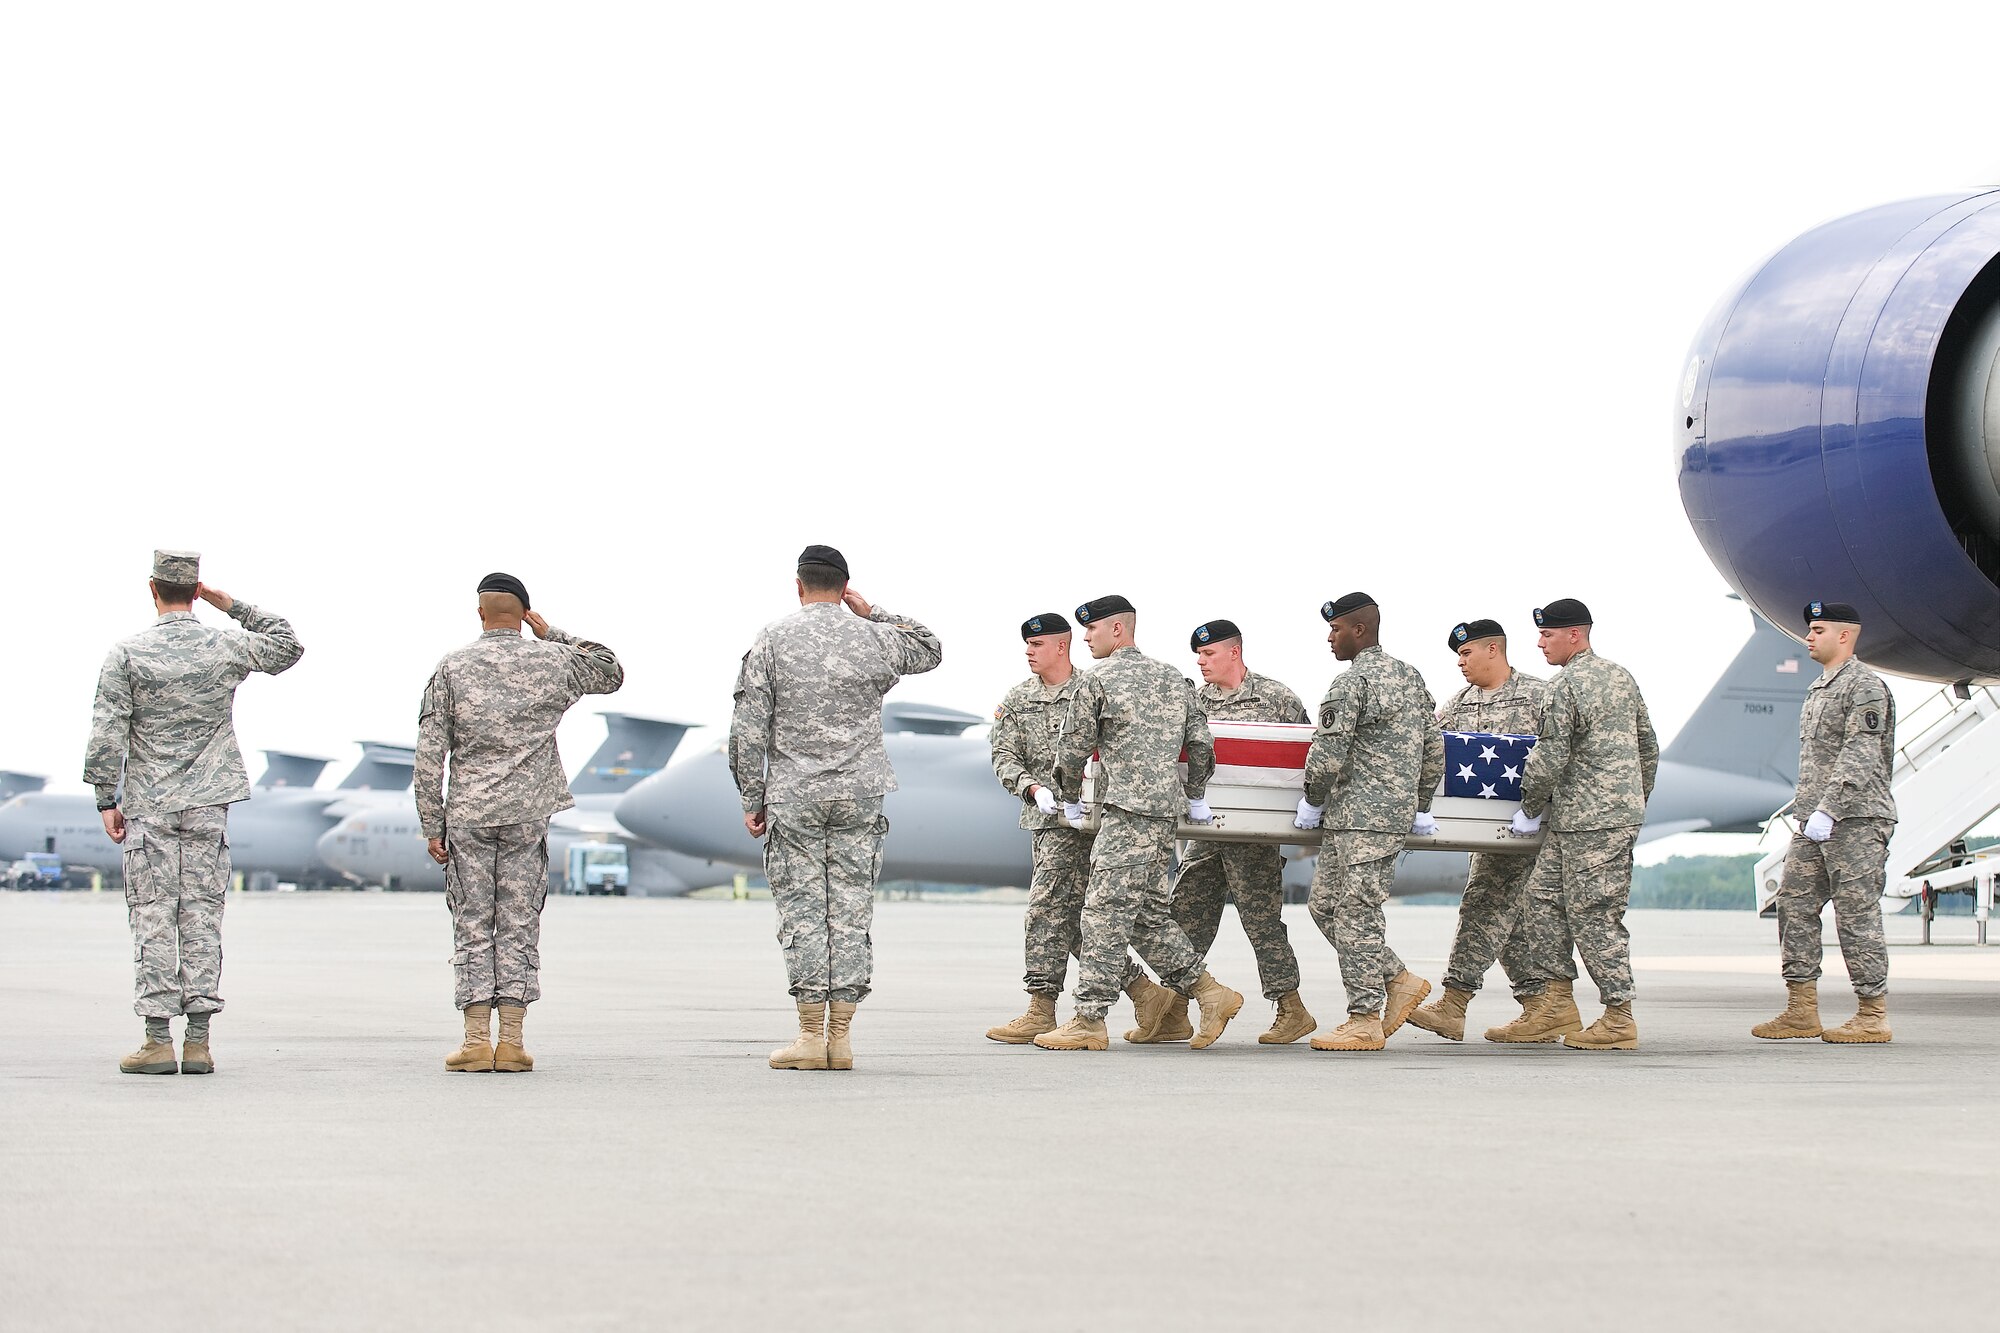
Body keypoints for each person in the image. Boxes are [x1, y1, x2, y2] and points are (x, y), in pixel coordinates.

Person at [85, 550, 304, 1075]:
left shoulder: (128, 653)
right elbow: (286, 646)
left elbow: (107, 731)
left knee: (155, 914)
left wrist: (105, 798)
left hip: (150, 803)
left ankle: (158, 1040)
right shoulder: (225, 643)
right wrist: (230, 605)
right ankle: (200, 1042)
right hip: (208, 802)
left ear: (152, 588)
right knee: (202, 912)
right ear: (196, 589)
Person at [730, 545, 943, 1071]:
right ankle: (842, 1038)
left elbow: (747, 728)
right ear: (844, 586)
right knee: (850, 911)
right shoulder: (874, 637)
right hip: (860, 792)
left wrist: (751, 799)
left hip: (795, 793)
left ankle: (809, 1037)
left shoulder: (774, 638)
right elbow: (931, 649)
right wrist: (873, 614)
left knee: (804, 913)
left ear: (798, 586)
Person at [416, 573, 622, 1073]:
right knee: (518, 922)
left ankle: (473, 1042)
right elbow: (610, 671)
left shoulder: (453, 666)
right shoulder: (552, 661)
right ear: (525, 614)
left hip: (468, 813)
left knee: (472, 921)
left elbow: (428, 751)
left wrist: (431, 822)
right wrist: (553, 634)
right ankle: (511, 1042)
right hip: (528, 813)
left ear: (480, 613)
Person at [1036, 595, 1245, 1051]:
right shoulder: (1174, 678)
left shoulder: (1097, 680)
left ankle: (1089, 1018)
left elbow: (1071, 748)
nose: (1085, 638)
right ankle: (1211, 994)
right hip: (1164, 817)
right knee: (1147, 917)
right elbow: (1202, 746)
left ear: (1117, 630)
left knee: (1103, 914)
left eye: (1091, 630)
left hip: (1126, 814)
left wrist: (1069, 798)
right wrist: (1193, 797)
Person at [985, 613, 1179, 1043]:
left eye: (1037, 645)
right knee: (1057, 913)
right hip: (1051, 822)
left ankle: (1064, 1006)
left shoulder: (1097, 685)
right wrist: (1031, 787)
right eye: (1027, 646)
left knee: (1088, 916)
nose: (1029, 653)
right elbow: (1003, 754)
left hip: (1100, 823)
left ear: (1061, 645)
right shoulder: (1018, 700)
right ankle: (1133, 993)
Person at [1141, 618, 1315, 1046]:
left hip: (1253, 835)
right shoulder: (1193, 700)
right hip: (1204, 830)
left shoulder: (1276, 698)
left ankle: (1292, 1010)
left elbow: (1304, 758)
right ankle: (1176, 1012)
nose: (1201, 662)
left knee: (1261, 923)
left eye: (1209, 654)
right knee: (1185, 916)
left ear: (1234, 652)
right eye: (1198, 655)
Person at [1498, 598, 1658, 1050]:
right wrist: (1633, 798)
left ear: (1575, 634)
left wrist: (1529, 807)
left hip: (1592, 822)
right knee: (1540, 901)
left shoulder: (1564, 686)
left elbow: (1549, 756)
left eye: (1548, 635)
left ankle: (1619, 1015)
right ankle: (1556, 1004)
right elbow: (1649, 745)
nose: (1539, 642)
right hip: (1587, 819)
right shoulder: (1621, 678)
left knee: (1594, 913)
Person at [1292, 593, 1441, 1052]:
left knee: (1356, 913)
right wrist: (1417, 803)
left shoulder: (1351, 683)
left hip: (1360, 818)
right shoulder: (1411, 678)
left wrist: (1312, 801)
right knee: (1324, 907)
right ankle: (1397, 978)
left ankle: (1364, 1018)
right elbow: (1434, 748)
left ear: (1360, 630)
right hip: (1371, 819)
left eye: (1336, 629)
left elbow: (1327, 755)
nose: (1329, 637)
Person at [1753, 601, 1897, 1044]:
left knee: (1856, 913)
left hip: (1854, 819)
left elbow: (1860, 753)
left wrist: (1829, 809)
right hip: (1813, 821)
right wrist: (1811, 813)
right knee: (1794, 904)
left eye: (1818, 629)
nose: (1809, 637)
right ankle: (1801, 1009)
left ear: (1845, 636)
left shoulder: (1864, 687)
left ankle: (1872, 1014)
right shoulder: (1820, 688)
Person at [1406, 619, 1551, 1042]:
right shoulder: (1458, 704)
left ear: (1494, 649)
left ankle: (1454, 1002)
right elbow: (1429, 746)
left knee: (1484, 905)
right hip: (1485, 834)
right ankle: (1541, 1007)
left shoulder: (1540, 697)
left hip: (1529, 829)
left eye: (1467, 653)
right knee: (1509, 919)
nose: (1460, 662)